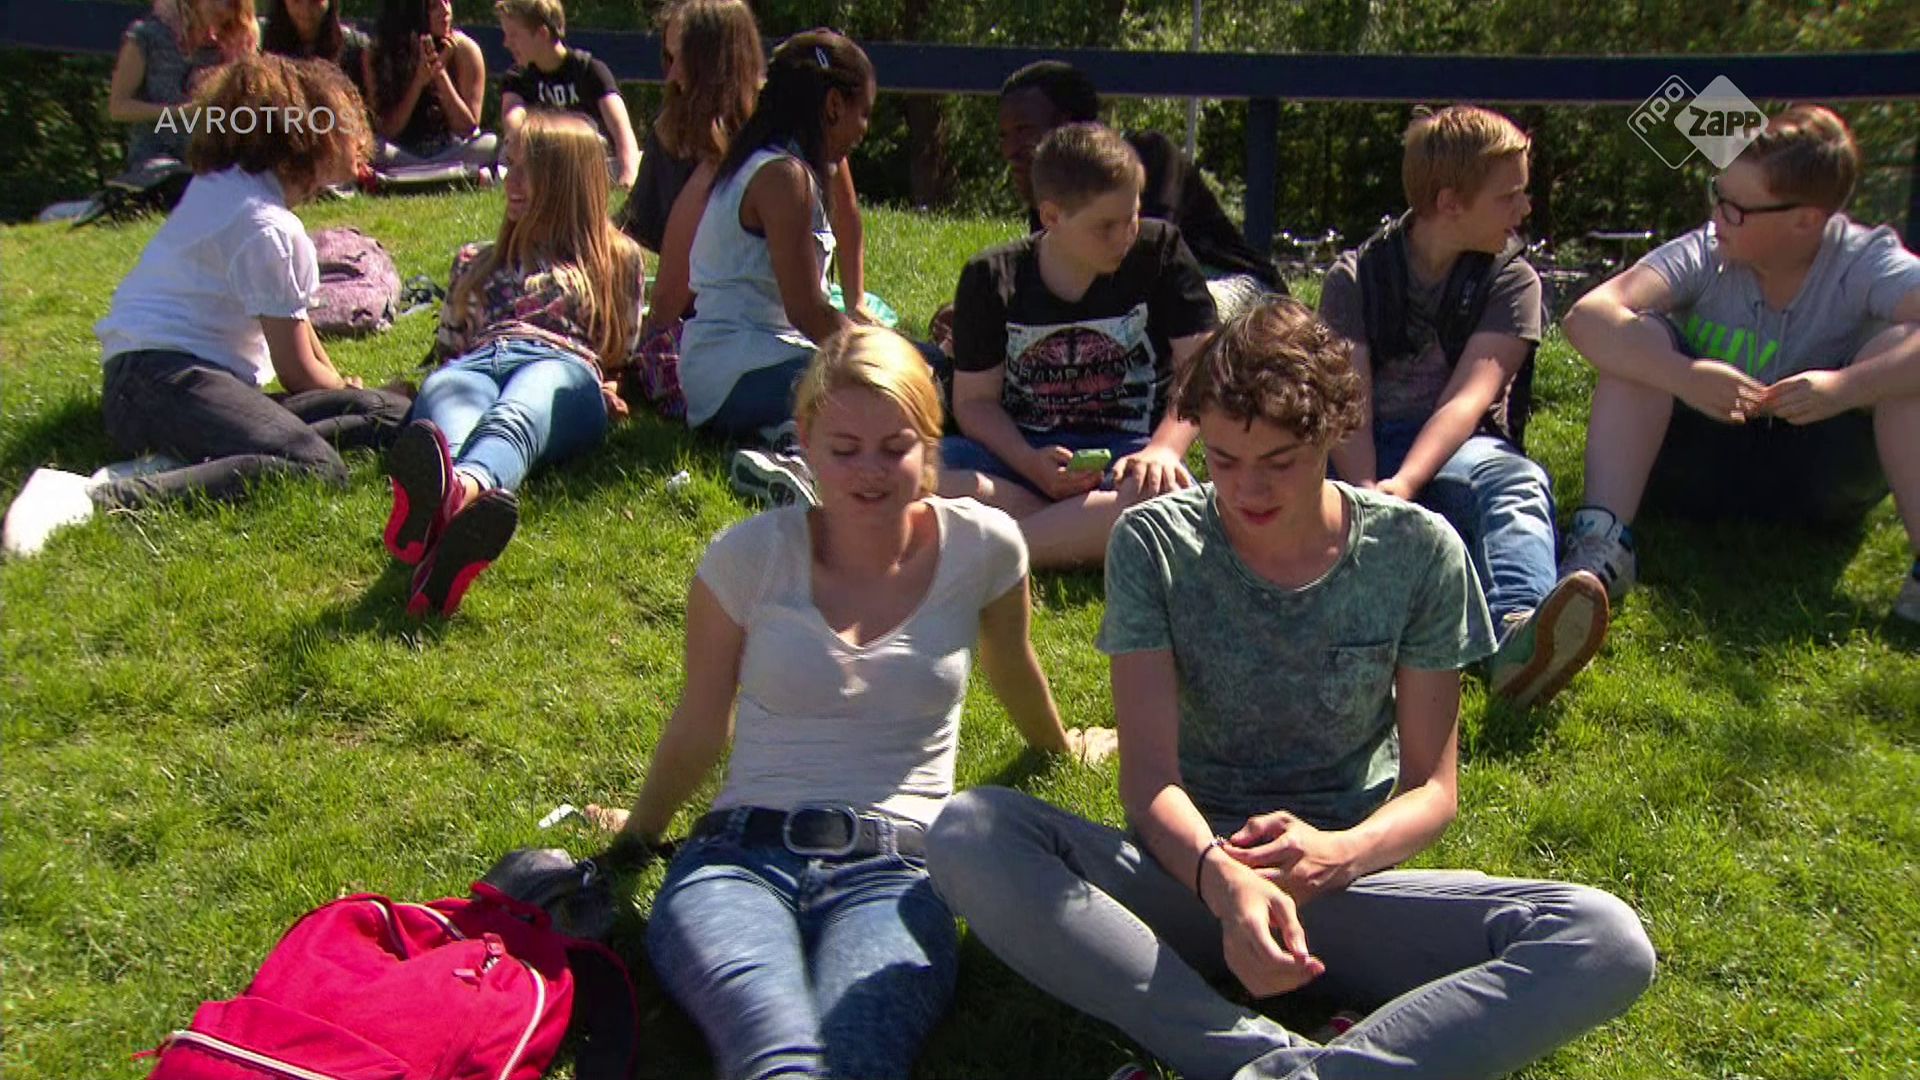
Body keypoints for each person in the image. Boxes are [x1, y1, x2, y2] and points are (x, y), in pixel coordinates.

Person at [926, 299, 1657, 1080]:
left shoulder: (1417, 552)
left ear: (1333, 432)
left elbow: (1432, 789)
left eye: (1279, 462)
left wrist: (1336, 854)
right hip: (1186, 876)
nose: (1248, 488)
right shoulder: (1155, 543)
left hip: (1347, 886)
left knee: (1603, 939)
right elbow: (1148, 781)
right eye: (1224, 459)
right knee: (970, 831)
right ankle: (1257, 1058)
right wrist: (1222, 880)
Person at [586, 326, 1113, 1080]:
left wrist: (1060, 746)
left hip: (898, 872)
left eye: (895, 447)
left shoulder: (986, 547)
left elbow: (1012, 666)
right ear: (804, 442)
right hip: (736, 859)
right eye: (844, 448)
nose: (870, 472)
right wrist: (639, 835)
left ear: (930, 445)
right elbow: (701, 723)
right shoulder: (748, 557)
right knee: (771, 1047)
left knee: (859, 1054)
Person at [5, 56, 407, 559]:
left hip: (166, 379)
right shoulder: (267, 226)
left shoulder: (227, 188)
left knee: (389, 413)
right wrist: (338, 390)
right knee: (315, 466)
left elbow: (299, 329)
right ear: (308, 136)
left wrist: (354, 392)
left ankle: (207, 453)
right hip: (159, 381)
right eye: (345, 124)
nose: (357, 139)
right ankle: (97, 497)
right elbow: (298, 372)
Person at [1561, 105, 1920, 623]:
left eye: (1736, 208)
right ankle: (1602, 544)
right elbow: (1585, 317)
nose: (1716, 216)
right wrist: (1683, 375)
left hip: (1823, 477)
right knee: (1637, 339)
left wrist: (1847, 387)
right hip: (1697, 466)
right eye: (1717, 195)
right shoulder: (1706, 251)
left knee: (1903, 353)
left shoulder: (1864, 260)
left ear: (1805, 221)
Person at [1318, 105, 1607, 709]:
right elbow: (1347, 397)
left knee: (1517, 484)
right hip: (1356, 449)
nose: (1525, 209)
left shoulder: (1512, 280)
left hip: (1458, 449)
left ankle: (1520, 637)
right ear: (1450, 202)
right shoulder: (1356, 277)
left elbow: (1468, 398)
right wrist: (1369, 491)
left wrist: (1404, 485)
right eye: (1509, 196)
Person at [379, 112, 644, 617]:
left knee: (519, 411)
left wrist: (612, 389)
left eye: (527, 170)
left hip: (562, 366)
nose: (510, 182)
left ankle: (458, 492)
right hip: (475, 364)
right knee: (449, 418)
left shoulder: (616, 260)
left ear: (564, 181)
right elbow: (450, 351)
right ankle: (450, 517)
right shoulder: (475, 258)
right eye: (509, 166)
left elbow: (618, 353)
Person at [937, 122, 1217, 569]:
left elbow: (1202, 370)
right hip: (1020, 457)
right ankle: (1071, 529)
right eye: (1105, 226)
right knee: (920, 470)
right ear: (1051, 216)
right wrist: (1031, 463)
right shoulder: (992, 277)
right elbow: (974, 403)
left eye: (1133, 215)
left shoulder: (1160, 252)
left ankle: (1002, 549)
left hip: (1129, 458)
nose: (1125, 235)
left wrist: (1164, 449)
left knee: (1165, 502)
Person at [677, 32, 880, 462]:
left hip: (754, 362)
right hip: (737, 373)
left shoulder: (774, 165)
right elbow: (807, 312)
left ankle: (785, 442)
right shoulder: (782, 177)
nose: (864, 130)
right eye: (863, 113)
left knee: (913, 369)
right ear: (833, 106)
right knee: (887, 389)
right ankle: (793, 451)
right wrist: (882, 358)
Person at [996, 60, 1286, 319]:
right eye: (1004, 135)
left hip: (1238, 292)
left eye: (1024, 130)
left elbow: (1153, 262)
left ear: (1069, 125)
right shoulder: (1048, 197)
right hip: (1148, 304)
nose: (1010, 150)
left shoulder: (1148, 157)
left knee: (1172, 307)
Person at [497, 0, 642, 190]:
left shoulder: (589, 71)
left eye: (514, 35)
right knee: (506, 153)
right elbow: (513, 122)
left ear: (542, 34)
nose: (506, 43)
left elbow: (621, 129)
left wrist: (628, 174)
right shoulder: (518, 78)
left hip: (590, 162)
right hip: (540, 161)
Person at [107, 0, 258, 171]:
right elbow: (118, 108)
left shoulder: (226, 49)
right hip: (154, 159)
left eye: (231, 4)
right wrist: (181, 112)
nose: (222, 9)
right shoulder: (148, 36)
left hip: (208, 164)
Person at [361, 0, 496, 171]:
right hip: (401, 152)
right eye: (434, 6)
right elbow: (387, 130)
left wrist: (440, 74)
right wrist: (418, 82)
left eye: (447, 1)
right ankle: (431, 171)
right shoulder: (378, 53)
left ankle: (422, 172)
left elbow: (467, 128)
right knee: (374, 148)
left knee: (490, 143)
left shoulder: (464, 49)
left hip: (450, 149)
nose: (445, 11)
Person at [261, 0, 366, 72]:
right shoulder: (261, 45)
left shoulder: (356, 51)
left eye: (315, 1)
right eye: (296, 0)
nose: (306, 9)